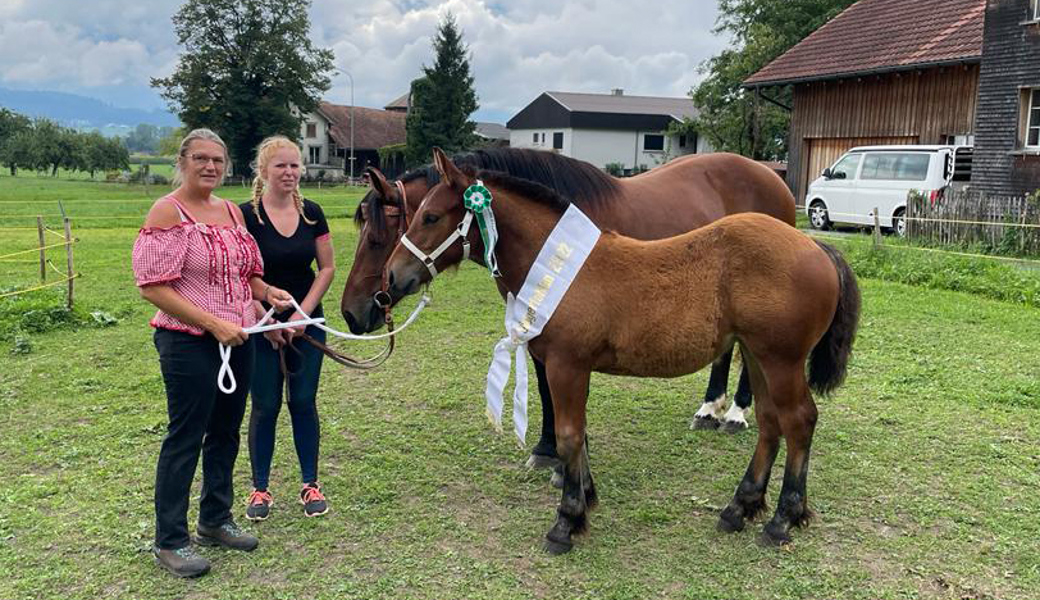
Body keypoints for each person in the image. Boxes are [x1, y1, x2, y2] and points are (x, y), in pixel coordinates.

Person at [132, 128, 293, 578]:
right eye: (200, 158)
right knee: (186, 435)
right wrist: (212, 323)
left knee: (225, 430)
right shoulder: (168, 212)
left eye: (218, 160)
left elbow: (247, 276)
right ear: (182, 161)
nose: (210, 167)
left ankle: (215, 518)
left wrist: (267, 292)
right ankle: (170, 540)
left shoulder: (232, 213)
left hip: (237, 337)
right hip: (188, 341)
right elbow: (153, 287)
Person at [239, 136, 335, 521]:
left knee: (303, 401)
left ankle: (310, 483)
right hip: (260, 323)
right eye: (281, 165)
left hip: (306, 324)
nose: (289, 172)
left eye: (295, 165)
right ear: (264, 171)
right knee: (264, 406)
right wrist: (267, 318)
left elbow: (326, 268)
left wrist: (301, 315)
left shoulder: (313, 213)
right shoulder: (245, 216)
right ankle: (260, 489)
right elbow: (240, 273)